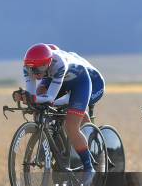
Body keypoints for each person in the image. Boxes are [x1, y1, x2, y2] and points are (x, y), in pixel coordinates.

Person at [13, 43, 95, 175]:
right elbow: (32, 94)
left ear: (49, 63)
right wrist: (25, 97)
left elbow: (49, 97)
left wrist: (31, 98)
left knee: (71, 127)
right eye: (32, 69)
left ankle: (89, 168)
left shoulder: (59, 63)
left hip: (80, 83)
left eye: (39, 69)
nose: (36, 73)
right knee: (38, 108)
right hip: (58, 81)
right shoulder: (29, 67)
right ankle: (51, 141)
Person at [47, 43, 105, 123]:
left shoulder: (61, 64)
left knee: (74, 106)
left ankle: (90, 134)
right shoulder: (52, 68)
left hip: (96, 84)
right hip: (77, 83)